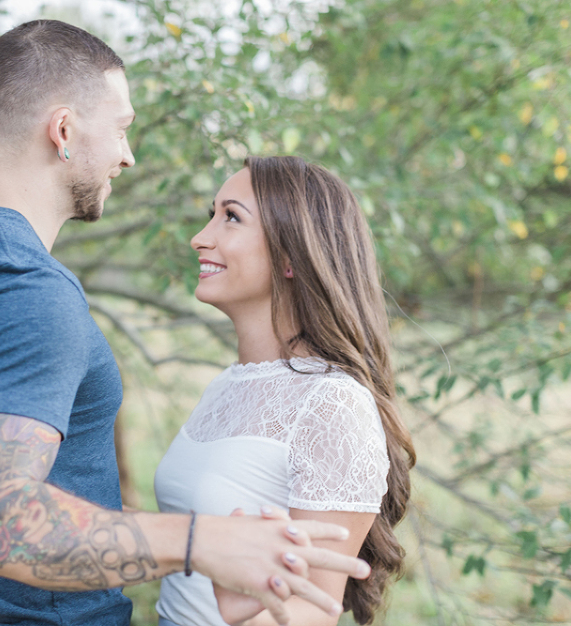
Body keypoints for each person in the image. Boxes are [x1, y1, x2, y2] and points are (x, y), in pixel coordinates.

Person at [0, 21, 372, 626]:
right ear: (63, 131)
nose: (127, 156)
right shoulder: (28, 287)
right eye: (122, 129)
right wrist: (197, 542)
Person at [154, 156, 416, 626]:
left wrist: (241, 613)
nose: (201, 237)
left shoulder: (333, 402)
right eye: (211, 214)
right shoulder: (226, 386)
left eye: (231, 217)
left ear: (291, 257)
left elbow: (311, 611)